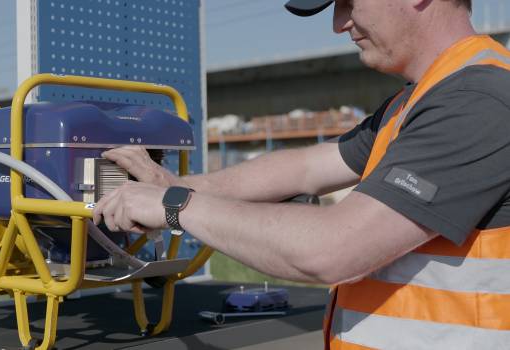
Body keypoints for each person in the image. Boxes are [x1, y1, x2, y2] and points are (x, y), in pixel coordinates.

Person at [93, 0, 510, 348]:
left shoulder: (477, 100)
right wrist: (176, 186)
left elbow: (332, 249)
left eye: (348, 1)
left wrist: (175, 208)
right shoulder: (420, 98)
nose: (338, 23)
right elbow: (308, 167)